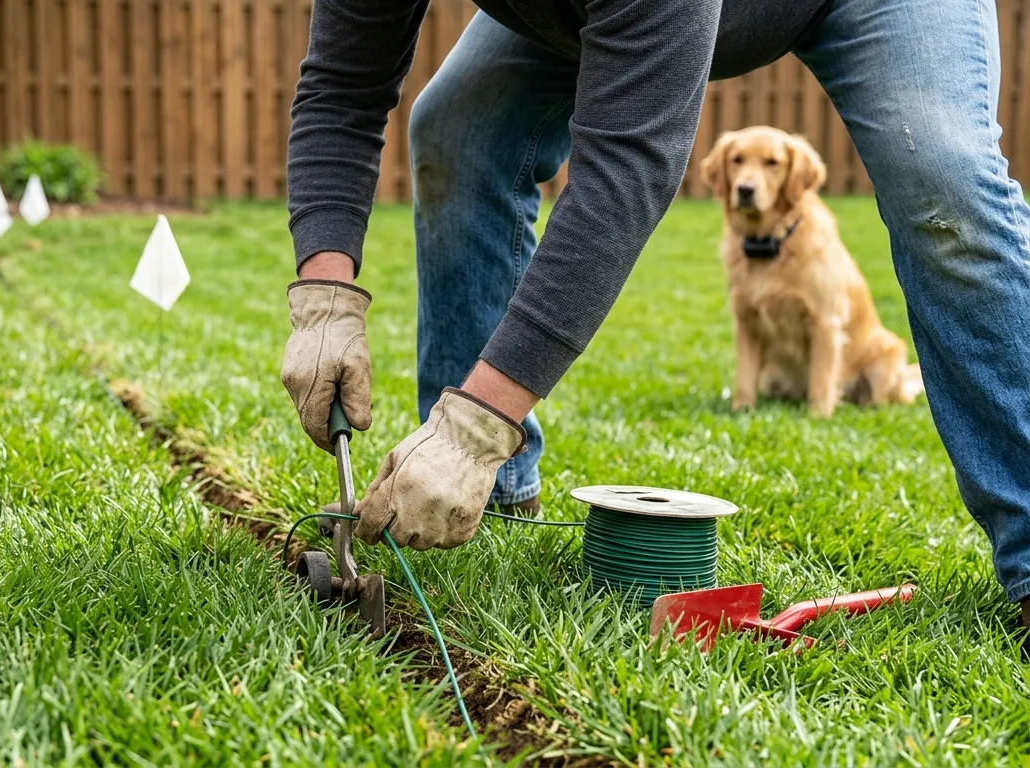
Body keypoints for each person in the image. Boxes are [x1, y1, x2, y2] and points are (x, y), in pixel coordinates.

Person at [278, 0, 1030, 627]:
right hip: (602, 15)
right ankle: (496, 502)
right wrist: (323, 299)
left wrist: (479, 424)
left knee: (945, 182)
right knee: (455, 126)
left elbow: (626, 166)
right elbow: (342, 88)